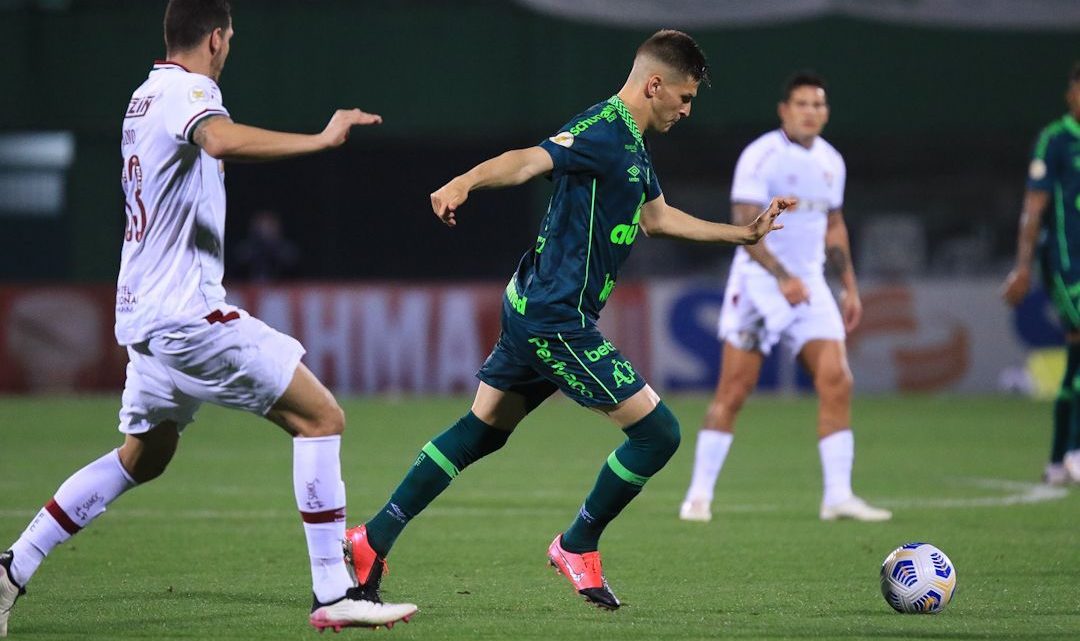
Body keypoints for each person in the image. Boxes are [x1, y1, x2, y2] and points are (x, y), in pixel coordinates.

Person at [0, 1, 416, 635]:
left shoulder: (142, 98)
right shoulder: (191, 90)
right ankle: (334, 591)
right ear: (218, 38)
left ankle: (11, 568)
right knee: (321, 417)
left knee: (143, 457)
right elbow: (218, 137)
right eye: (230, 40)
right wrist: (321, 138)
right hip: (186, 316)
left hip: (145, 319)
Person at [339, 29, 792, 611]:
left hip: (535, 306)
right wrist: (464, 181)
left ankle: (372, 539)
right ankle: (577, 544)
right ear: (654, 83)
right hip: (557, 320)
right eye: (684, 96)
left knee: (480, 432)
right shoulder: (603, 131)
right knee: (658, 434)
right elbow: (530, 159)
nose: (687, 108)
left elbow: (656, 218)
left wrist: (743, 233)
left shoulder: (631, 143)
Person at [679, 72, 892, 524]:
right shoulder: (761, 156)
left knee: (837, 379)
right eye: (802, 104)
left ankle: (837, 496)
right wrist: (780, 275)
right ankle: (698, 496)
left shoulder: (833, 161)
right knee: (735, 390)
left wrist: (849, 285)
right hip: (759, 285)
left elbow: (834, 226)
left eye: (819, 104)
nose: (811, 111)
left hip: (809, 285)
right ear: (784, 110)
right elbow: (745, 226)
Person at [1002, 62, 1080, 486]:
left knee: (1075, 358)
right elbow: (1033, 208)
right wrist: (1023, 266)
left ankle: (1056, 462)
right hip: (1069, 265)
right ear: (1071, 94)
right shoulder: (1056, 139)